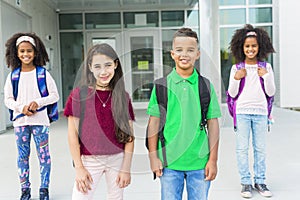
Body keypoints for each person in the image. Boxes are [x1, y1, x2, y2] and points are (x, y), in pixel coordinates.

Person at [146, 28, 221, 200]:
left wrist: (213, 160)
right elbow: (153, 124)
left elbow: (213, 125)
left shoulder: (205, 86)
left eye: (190, 50)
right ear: (172, 54)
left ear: (198, 54)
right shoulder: (161, 86)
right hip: (169, 163)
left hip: (200, 163)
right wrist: (153, 157)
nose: (184, 54)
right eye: (179, 50)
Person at [64, 43, 135, 200]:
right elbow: (72, 134)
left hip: (117, 158)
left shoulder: (122, 96)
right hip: (89, 160)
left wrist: (126, 168)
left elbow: (130, 137)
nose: (103, 72)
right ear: (90, 67)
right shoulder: (79, 94)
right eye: (97, 66)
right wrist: (79, 167)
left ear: (115, 65)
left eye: (108, 65)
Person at [4, 32, 59, 200]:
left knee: (44, 156)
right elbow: (8, 99)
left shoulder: (43, 74)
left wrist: (38, 103)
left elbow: (54, 96)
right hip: (20, 122)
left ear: (36, 53)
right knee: (22, 157)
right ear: (16, 53)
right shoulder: (13, 76)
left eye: (29, 51)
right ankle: (25, 190)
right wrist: (21, 108)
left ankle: (44, 189)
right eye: (22, 51)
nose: (25, 54)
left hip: (40, 121)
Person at [227, 24, 276, 198]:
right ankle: (246, 182)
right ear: (241, 47)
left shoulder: (266, 67)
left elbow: (270, 92)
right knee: (241, 149)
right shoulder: (237, 68)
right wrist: (235, 78)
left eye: (254, 46)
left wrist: (266, 76)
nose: (250, 49)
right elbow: (232, 94)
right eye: (247, 46)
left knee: (260, 148)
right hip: (242, 113)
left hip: (261, 112)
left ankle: (260, 181)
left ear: (259, 47)